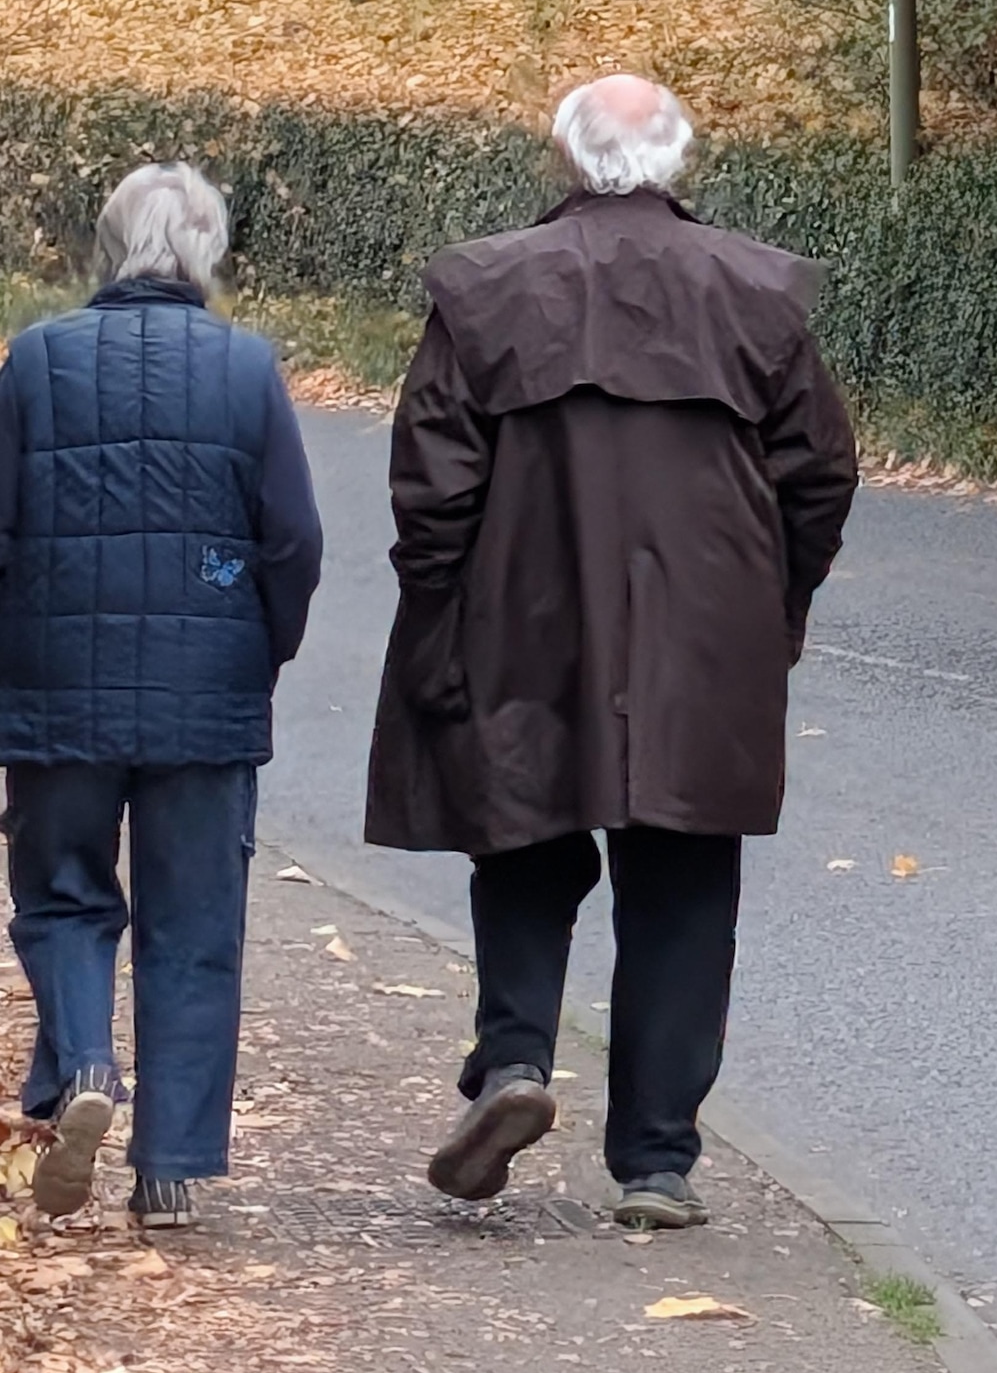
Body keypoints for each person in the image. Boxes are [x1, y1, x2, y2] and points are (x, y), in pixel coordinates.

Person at [368, 72, 858, 1229]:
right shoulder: (756, 292)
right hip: (707, 631)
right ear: (677, 162)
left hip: (524, 615)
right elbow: (820, 474)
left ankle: (515, 1063)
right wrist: (771, 608)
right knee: (683, 883)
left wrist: (437, 617)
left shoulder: (487, 289)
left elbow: (431, 485)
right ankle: (655, 1163)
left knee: (524, 843)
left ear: (564, 160)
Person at [0, 159, 324, 1231]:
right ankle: (172, 1167)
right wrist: (260, 650)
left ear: (106, 246)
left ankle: (85, 1071)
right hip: (207, 696)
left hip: (55, 689)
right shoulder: (247, 371)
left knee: (61, 895)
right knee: (194, 922)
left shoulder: (36, 361)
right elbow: (291, 540)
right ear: (206, 255)